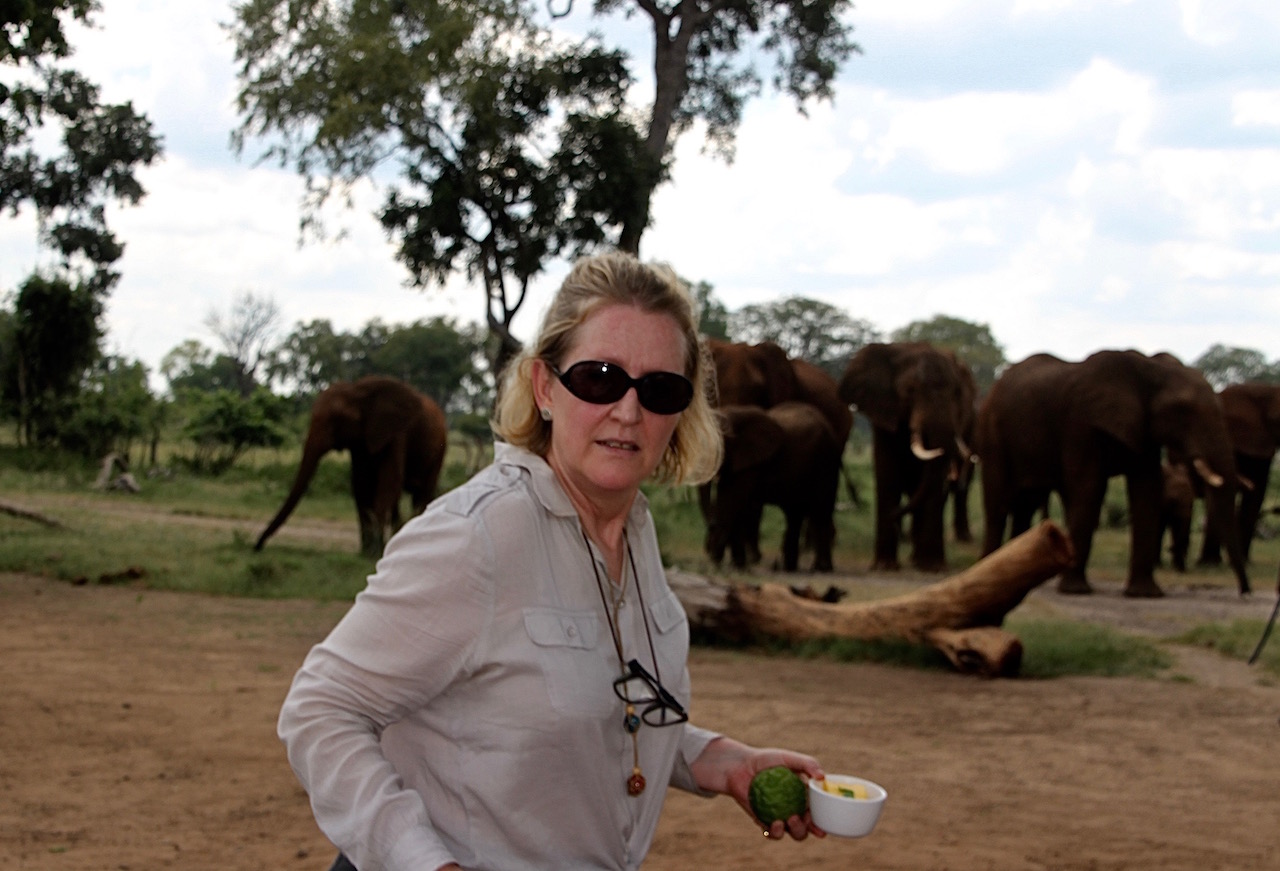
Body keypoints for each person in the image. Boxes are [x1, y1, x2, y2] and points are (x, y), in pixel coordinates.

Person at [277, 251, 826, 871]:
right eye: (599, 378)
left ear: (682, 410)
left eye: (660, 388)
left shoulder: (632, 533)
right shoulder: (476, 537)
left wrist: (722, 762)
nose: (628, 410)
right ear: (545, 387)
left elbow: (595, 713)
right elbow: (321, 708)